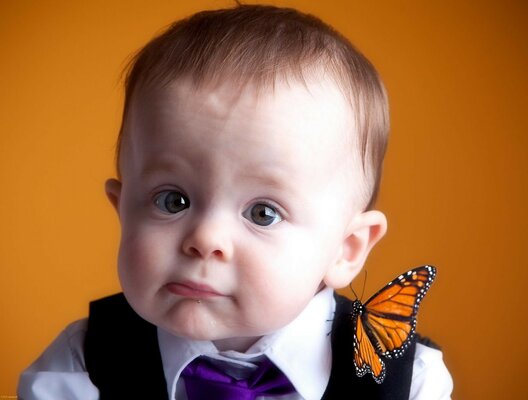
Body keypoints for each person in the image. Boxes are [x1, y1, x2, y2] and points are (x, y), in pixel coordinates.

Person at [18, 4, 452, 399]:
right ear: (123, 209)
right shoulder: (80, 366)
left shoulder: (410, 382)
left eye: (263, 213)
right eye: (173, 200)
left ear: (347, 248)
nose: (205, 239)